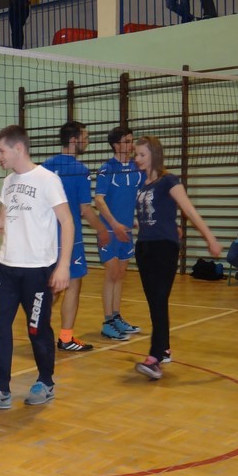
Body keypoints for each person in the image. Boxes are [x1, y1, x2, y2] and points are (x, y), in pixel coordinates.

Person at [0, 125, 73, 411]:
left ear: (18, 148)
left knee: (37, 329)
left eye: (1, 151)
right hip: (4, 268)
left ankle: (45, 382)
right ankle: (1, 390)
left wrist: (63, 266)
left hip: (37, 270)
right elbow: (1, 220)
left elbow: (67, 222)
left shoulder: (47, 179)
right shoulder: (8, 181)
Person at [132, 135, 222, 380]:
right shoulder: (143, 184)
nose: (137, 158)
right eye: (136, 154)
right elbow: (153, 215)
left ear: (154, 155)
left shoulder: (168, 181)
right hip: (144, 248)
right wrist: (135, 224)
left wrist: (210, 239)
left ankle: (154, 359)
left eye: (142, 154)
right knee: (154, 302)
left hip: (164, 248)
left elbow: (189, 210)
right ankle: (164, 349)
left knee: (159, 300)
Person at [42, 121, 110, 352]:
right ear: (74, 140)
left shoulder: (45, 167)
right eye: (85, 137)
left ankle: (38, 332)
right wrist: (101, 229)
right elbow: (84, 209)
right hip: (70, 238)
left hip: (46, 238)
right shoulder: (79, 170)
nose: (87, 141)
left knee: (51, 287)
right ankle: (66, 338)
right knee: (72, 285)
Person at [94, 127, 144, 341]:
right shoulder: (107, 169)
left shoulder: (136, 168)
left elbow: (139, 196)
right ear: (116, 145)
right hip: (109, 231)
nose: (131, 145)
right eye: (127, 141)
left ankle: (116, 316)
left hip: (126, 231)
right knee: (111, 275)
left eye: (132, 141)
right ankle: (107, 322)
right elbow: (99, 200)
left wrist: (135, 219)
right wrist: (114, 224)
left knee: (121, 275)